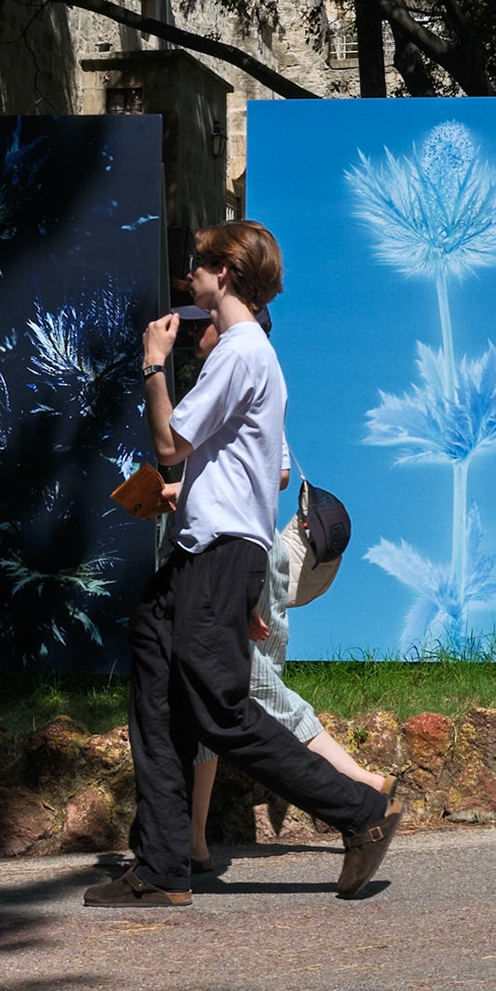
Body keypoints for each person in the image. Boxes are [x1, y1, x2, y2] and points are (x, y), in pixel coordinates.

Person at [84, 221, 403, 907]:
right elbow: (248, 472)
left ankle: (359, 812)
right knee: (156, 677)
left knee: (221, 709)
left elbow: (169, 443)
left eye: (199, 265)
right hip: (207, 553)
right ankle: (162, 864)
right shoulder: (248, 352)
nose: (190, 276)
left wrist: (152, 364)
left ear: (224, 274)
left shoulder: (241, 350)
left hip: (219, 555)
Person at [159, 313, 393, 873]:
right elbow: (276, 471)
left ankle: (363, 794)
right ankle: (192, 840)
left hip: (238, 559)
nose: (195, 332)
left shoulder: (238, 370)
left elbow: (263, 469)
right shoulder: (247, 376)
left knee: (254, 696)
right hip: (245, 556)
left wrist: (188, 484)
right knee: (219, 696)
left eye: (204, 323)